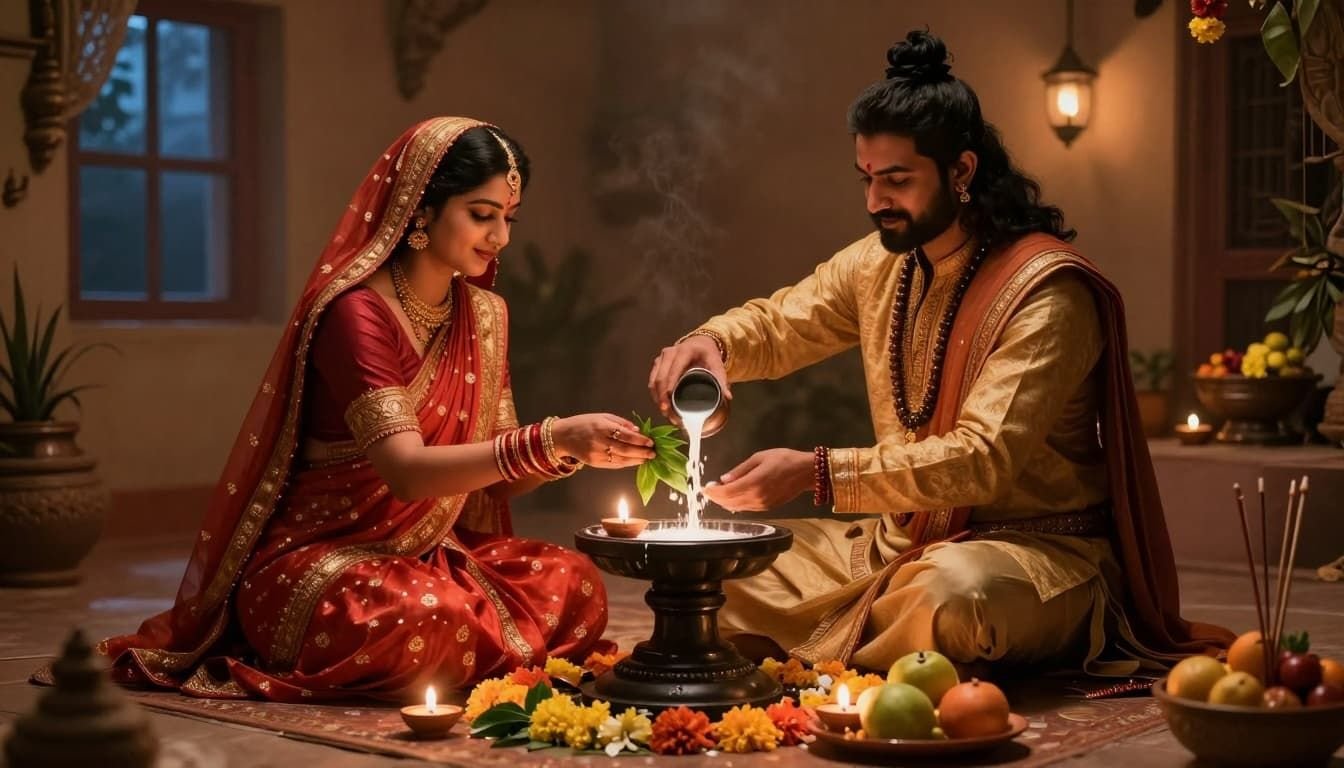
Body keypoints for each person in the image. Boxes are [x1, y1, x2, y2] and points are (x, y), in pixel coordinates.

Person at [648, 32, 1232, 674]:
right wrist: (712, 342)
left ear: (962, 171)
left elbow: (983, 460)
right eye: (867, 178)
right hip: (895, 545)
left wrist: (818, 473)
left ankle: (854, 640)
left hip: (1028, 553)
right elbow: (783, 322)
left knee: (953, 597)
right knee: (720, 571)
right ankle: (879, 642)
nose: (875, 201)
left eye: (897, 180)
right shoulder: (877, 266)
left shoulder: (1045, 293)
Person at [95, 117, 656, 702]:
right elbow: (407, 471)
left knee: (577, 582)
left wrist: (572, 453)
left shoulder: (485, 316)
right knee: (421, 615)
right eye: (481, 214)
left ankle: (466, 652)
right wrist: (553, 438)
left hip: (435, 555)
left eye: (508, 219)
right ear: (421, 209)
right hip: (324, 562)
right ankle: (473, 650)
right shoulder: (355, 313)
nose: (500, 239)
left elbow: (501, 486)